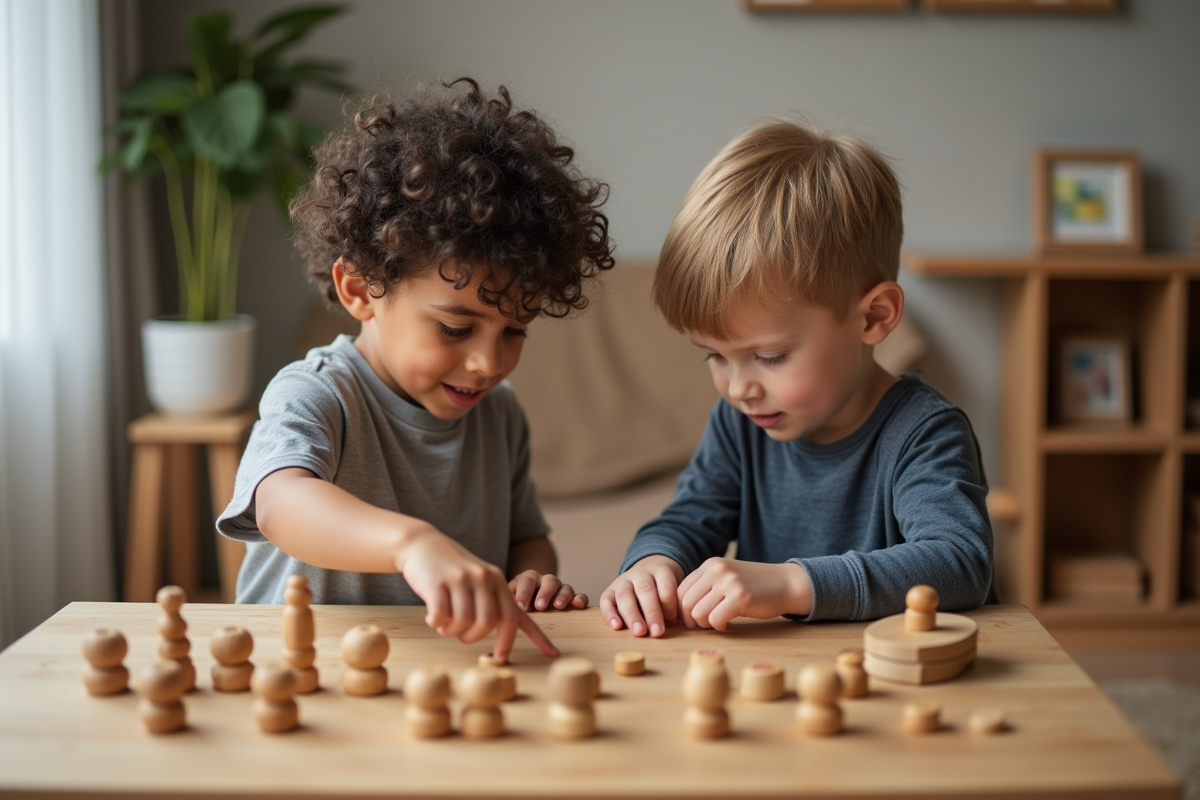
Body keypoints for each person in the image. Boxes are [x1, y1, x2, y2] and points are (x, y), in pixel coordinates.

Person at [218, 78, 615, 661]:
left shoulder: (499, 415)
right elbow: (279, 504)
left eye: (514, 331)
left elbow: (527, 539)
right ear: (360, 288)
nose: (488, 363)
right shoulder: (316, 393)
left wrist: (533, 579)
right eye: (455, 328)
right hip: (304, 673)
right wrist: (410, 543)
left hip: (437, 674)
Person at [600, 118, 994, 637]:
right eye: (714, 357)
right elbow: (691, 517)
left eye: (769, 356)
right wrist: (653, 562)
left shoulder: (925, 431)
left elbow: (960, 563)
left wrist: (791, 584)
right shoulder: (740, 421)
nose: (738, 389)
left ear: (873, 318)